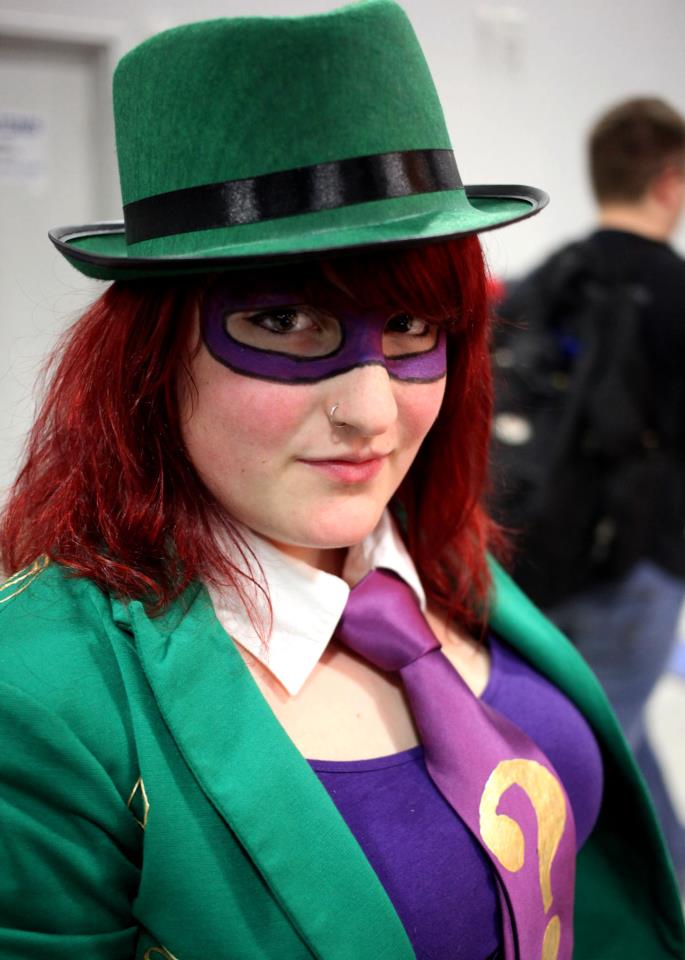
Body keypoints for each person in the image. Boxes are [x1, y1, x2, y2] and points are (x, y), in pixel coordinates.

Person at [0, 4, 683, 958]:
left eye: (411, 326)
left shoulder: (431, 558)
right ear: (149, 357)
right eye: (284, 323)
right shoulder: (38, 695)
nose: (371, 411)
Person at [494, 96, 685, 886]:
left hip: (536, 561)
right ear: (668, 183)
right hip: (637, 573)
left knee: (620, 749)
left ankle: (671, 905)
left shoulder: (548, 278)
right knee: (579, 778)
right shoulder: (674, 292)